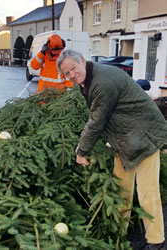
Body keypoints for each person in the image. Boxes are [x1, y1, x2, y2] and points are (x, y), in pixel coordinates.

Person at [57, 49, 167, 250]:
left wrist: (81, 150)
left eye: (73, 68)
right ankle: (119, 233)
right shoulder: (89, 78)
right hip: (124, 139)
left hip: (144, 136)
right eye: (67, 74)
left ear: (82, 60)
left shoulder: (101, 82)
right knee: (120, 190)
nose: (72, 75)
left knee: (147, 193)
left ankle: (156, 241)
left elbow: (96, 120)